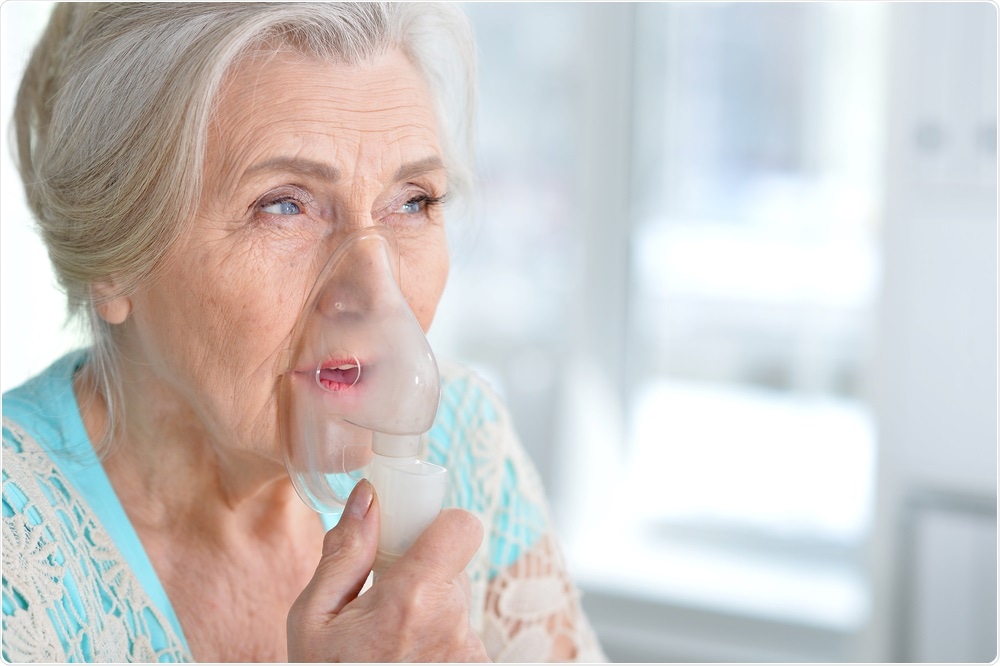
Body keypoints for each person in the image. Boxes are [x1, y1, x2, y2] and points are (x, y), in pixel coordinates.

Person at [1, 3, 606, 662]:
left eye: (413, 202)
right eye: (283, 205)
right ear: (114, 257)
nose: (379, 296)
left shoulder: (463, 441)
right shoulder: (20, 562)